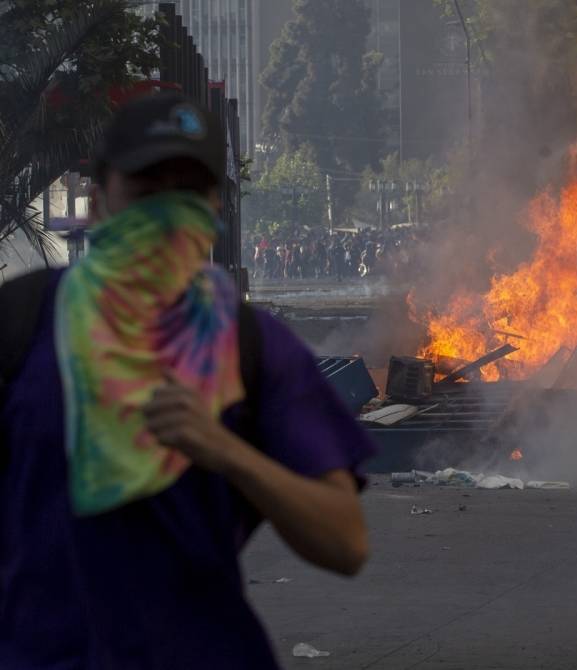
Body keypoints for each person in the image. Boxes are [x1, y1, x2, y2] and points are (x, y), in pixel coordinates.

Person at [0, 93, 376, 667]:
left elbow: (345, 542)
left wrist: (226, 451)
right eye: (146, 193)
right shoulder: (19, 323)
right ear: (98, 203)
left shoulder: (252, 346)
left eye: (187, 195)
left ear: (214, 207)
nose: (165, 216)